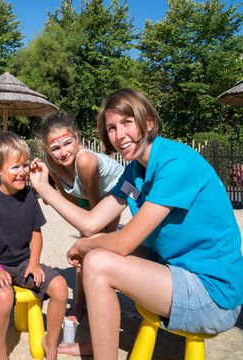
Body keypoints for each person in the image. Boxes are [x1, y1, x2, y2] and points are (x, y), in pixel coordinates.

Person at [29, 88, 243, 358]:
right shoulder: (134, 172)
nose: (119, 135)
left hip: (213, 294)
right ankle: (98, 342)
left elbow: (124, 241)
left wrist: (85, 245)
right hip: (176, 270)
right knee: (97, 253)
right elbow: (92, 221)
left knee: (97, 261)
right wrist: (44, 188)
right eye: (111, 128)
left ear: (149, 122)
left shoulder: (176, 163)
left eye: (127, 123)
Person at [0, 131, 68, 360]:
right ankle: (0, 348)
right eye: (15, 167)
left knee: (61, 287)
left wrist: (34, 262)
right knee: (3, 297)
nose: (22, 172)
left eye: (24, 166)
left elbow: (36, 234)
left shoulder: (29, 198)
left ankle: (50, 342)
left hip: (23, 262)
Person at [39, 112, 124, 323]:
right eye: (56, 148)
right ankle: (81, 302)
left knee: (93, 244)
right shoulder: (51, 163)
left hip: (117, 190)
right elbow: (68, 199)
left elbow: (95, 212)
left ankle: (86, 303)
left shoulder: (85, 160)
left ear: (77, 138)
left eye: (68, 143)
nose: (63, 152)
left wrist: (89, 238)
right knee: (87, 244)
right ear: (47, 150)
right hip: (88, 195)